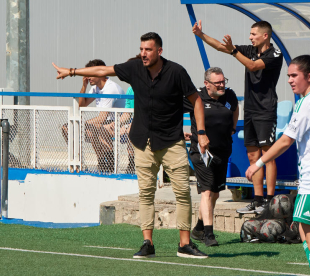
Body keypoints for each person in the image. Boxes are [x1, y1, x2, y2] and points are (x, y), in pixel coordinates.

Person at [52, 32, 210, 259]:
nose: (143, 53)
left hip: (171, 141)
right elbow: (102, 70)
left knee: (183, 193)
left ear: (159, 51)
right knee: (146, 194)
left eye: (148, 50)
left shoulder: (176, 72)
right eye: (142, 49)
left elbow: (197, 101)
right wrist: (72, 72)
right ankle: (148, 243)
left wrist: (201, 132)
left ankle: (184, 244)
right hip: (142, 142)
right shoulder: (134, 68)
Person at [246, 54, 310, 276]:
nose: (290, 80)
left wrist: (259, 163)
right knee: (303, 231)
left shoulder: (307, 102)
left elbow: (286, 140)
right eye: (288, 76)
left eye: (294, 75)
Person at [193, 20, 283, 215]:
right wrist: (201, 35)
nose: (250, 37)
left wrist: (234, 51)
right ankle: (258, 200)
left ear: (265, 35)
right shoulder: (249, 50)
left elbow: (252, 66)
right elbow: (220, 46)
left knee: (268, 156)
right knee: (253, 155)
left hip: (266, 110)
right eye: (250, 34)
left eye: (253, 34)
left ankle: (269, 200)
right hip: (250, 110)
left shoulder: (275, 54)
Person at [184, 67, 239, 247]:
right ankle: (209, 234)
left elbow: (236, 109)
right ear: (207, 84)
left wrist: (232, 128)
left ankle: (199, 228)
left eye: (224, 81)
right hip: (201, 152)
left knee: (214, 193)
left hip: (223, 151)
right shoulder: (196, 97)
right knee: (207, 191)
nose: (222, 85)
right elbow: (171, 110)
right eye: (218, 83)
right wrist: (179, 132)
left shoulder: (229, 96)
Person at [62, 59, 125, 173]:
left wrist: (81, 125)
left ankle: (108, 163)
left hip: (118, 123)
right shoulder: (95, 87)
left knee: (93, 129)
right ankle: (78, 161)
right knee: (66, 128)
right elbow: (81, 106)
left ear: (100, 74)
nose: (88, 77)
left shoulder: (110, 89)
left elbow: (102, 119)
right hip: (105, 122)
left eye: (90, 74)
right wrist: (84, 87)